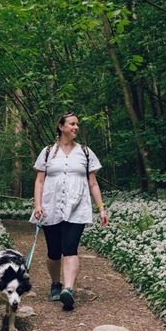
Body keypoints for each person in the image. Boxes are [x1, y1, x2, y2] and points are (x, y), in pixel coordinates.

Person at [30, 111, 109, 311]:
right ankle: (55, 283)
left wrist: (101, 208)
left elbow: (93, 183)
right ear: (61, 126)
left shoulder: (85, 152)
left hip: (77, 208)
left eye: (77, 124)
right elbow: (39, 181)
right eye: (72, 124)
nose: (75, 127)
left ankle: (68, 289)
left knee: (70, 247)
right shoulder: (48, 152)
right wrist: (38, 205)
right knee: (54, 251)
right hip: (51, 207)